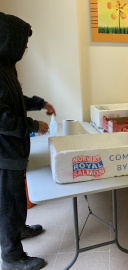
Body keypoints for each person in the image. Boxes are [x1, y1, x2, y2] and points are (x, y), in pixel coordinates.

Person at [0, 12, 56, 270]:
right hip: (5, 152)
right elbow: (3, 119)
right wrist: (34, 125)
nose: (26, 46)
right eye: (22, 42)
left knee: (17, 199)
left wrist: (38, 103)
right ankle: (12, 257)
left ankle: (19, 229)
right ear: (8, 39)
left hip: (15, 149)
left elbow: (15, 100)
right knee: (9, 203)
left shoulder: (7, 65)